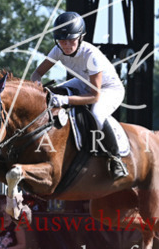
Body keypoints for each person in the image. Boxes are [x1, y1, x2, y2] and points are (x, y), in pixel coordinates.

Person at [30, 11, 128, 178]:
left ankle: (115, 158)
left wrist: (64, 99)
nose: (67, 45)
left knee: (97, 114)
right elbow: (37, 73)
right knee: (52, 93)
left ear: (81, 37)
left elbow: (94, 97)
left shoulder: (91, 56)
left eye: (71, 40)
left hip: (108, 89)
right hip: (84, 81)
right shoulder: (57, 50)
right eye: (62, 41)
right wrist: (38, 87)